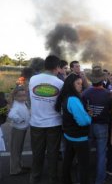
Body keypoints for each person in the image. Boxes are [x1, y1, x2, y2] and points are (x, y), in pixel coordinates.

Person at [29, 55, 64, 184]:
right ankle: (52, 178)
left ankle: (34, 178)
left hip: (36, 123)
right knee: (53, 153)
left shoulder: (33, 79)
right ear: (57, 67)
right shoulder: (60, 83)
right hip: (54, 123)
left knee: (37, 153)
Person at [55, 73, 92, 184]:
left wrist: (84, 113)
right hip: (79, 137)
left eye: (81, 83)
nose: (81, 86)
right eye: (78, 83)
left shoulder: (65, 96)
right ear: (71, 84)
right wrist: (88, 116)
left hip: (69, 135)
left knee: (67, 161)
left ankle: (65, 180)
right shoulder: (73, 99)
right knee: (83, 166)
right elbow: (83, 121)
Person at [83, 65, 112, 184]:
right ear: (102, 79)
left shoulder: (85, 93)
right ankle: (100, 180)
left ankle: (84, 177)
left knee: (85, 153)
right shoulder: (108, 94)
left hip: (88, 125)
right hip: (102, 126)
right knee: (101, 154)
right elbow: (111, 110)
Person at [8, 86, 30, 176]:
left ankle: (19, 166)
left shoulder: (23, 103)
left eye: (24, 95)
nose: (23, 97)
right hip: (18, 130)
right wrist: (20, 120)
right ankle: (14, 170)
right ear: (15, 96)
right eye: (20, 96)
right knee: (16, 150)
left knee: (19, 149)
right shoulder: (16, 105)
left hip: (22, 129)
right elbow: (11, 114)